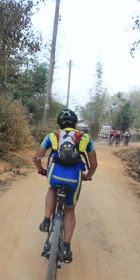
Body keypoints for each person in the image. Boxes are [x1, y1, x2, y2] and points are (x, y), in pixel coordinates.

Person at [32, 108, 97, 263]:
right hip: (74, 177)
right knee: (69, 210)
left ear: (58, 124)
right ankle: (66, 247)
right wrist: (88, 176)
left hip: (55, 173)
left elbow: (36, 157)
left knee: (52, 188)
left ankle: (47, 219)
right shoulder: (85, 138)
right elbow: (93, 164)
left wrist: (41, 169)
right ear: (75, 124)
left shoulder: (52, 136)